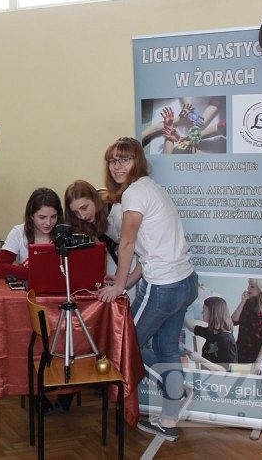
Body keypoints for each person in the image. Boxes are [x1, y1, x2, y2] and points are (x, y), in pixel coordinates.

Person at [97, 137, 198, 442]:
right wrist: (126, 282)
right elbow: (150, 252)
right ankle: (169, 419)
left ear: (138, 161)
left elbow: (127, 243)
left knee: (126, 345)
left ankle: (174, 388)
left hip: (164, 288)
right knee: (167, 349)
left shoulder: (135, 193)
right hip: (185, 282)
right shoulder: (151, 188)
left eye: (125, 159)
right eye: (113, 160)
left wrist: (118, 285)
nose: (118, 166)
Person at [0, 187, 63, 281]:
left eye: (53, 217)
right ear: (31, 216)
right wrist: (37, 274)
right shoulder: (18, 232)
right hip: (28, 288)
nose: (48, 223)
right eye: (42, 217)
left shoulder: (64, 233)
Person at [231, 278, 262, 375]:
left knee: (257, 382)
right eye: (249, 284)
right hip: (241, 353)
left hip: (261, 357)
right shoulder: (248, 302)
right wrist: (242, 302)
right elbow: (234, 321)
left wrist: (258, 362)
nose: (248, 288)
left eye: (252, 286)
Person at [184, 296, 237, 372]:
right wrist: (181, 311)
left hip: (217, 379)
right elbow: (192, 328)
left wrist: (200, 359)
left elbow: (227, 370)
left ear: (213, 312)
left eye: (204, 310)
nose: (202, 312)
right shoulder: (212, 332)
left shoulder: (227, 339)